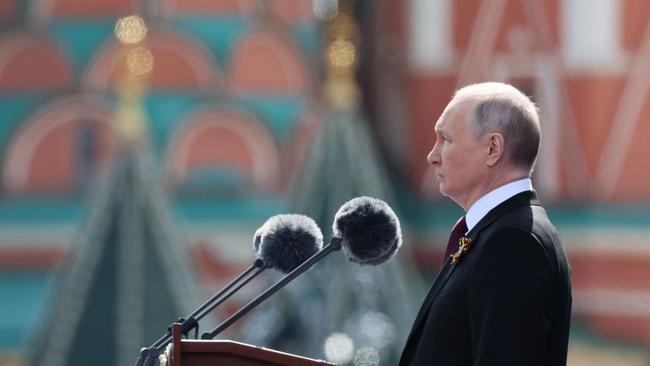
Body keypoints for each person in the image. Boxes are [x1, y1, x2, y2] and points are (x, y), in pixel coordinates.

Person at [399, 82, 572, 365]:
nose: (433, 156)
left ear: (493, 148)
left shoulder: (513, 243)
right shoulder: (497, 232)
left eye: (446, 140)